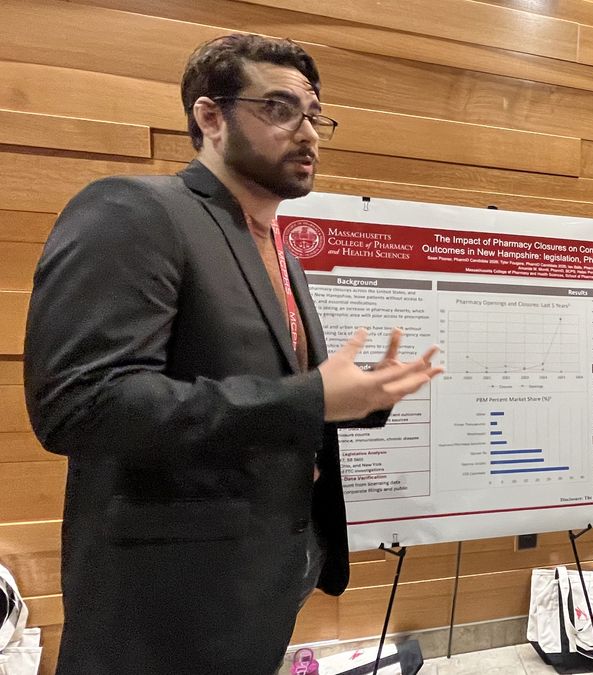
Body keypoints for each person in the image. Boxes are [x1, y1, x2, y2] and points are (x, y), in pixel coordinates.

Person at [23, 34, 442, 674]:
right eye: (279, 108)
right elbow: (80, 404)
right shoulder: (135, 211)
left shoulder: (277, 247)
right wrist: (311, 397)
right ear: (210, 117)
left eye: (314, 115)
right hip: (164, 602)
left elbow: (264, 390)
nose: (308, 133)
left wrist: (359, 398)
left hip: (262, 580)